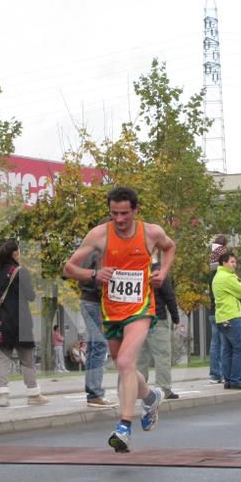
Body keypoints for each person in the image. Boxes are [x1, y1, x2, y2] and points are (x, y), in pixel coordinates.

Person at [63, 186, 175, 453]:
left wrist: (163, 273)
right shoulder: (100, 235)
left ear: (135, 210)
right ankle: (150, 396)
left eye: (125, 213)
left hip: (140, 308)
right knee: (123, 366)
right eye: (114, 214)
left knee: (126, 361)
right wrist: (93, 274)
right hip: (111, 310)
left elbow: (170, 247)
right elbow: (69, 268)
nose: (120, 219)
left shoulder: (151, 232)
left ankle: (124, 427)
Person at [0, 239, 48, 408]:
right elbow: (30, 296)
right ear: (15, 253)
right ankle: (33, 394)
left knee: (3, 358)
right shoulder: (20, 271)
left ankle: (3, 395)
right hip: (22, 322)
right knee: (27, 359)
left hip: (3, 321)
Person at [138, 261, 183, 399]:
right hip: (157, 318)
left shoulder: (137, 269)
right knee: (162, 356)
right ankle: (164, 388)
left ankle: (138, 389)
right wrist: (176, 319)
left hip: (137, 320)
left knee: (140, 358)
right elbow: (169, 297)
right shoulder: (159, 272)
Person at [77, 249, 115, 407]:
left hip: (89, 301)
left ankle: (93, 391)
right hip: (94, 302)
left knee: (94, 346)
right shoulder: (99, 254)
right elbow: (91, 279)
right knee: (99, 346)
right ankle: (95, 393)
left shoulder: (89, 253)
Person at [212, 252, 241, 390]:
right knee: (240, 349)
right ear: (224, 262)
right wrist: (237, 280)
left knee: (227, 349)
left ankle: (228, 380)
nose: (234, 264)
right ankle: (236, 379)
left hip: (222, 317)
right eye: (232, 262)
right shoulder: (227, 277)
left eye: (235, 262)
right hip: (232, 316)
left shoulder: (218, 276)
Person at [206, 268, 224, 384]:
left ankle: (214, 374)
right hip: (221, 312)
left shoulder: (212, 276)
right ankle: (222, 373)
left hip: (213, 312)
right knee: (223, 343)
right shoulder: (222, 276)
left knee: (215, 343)